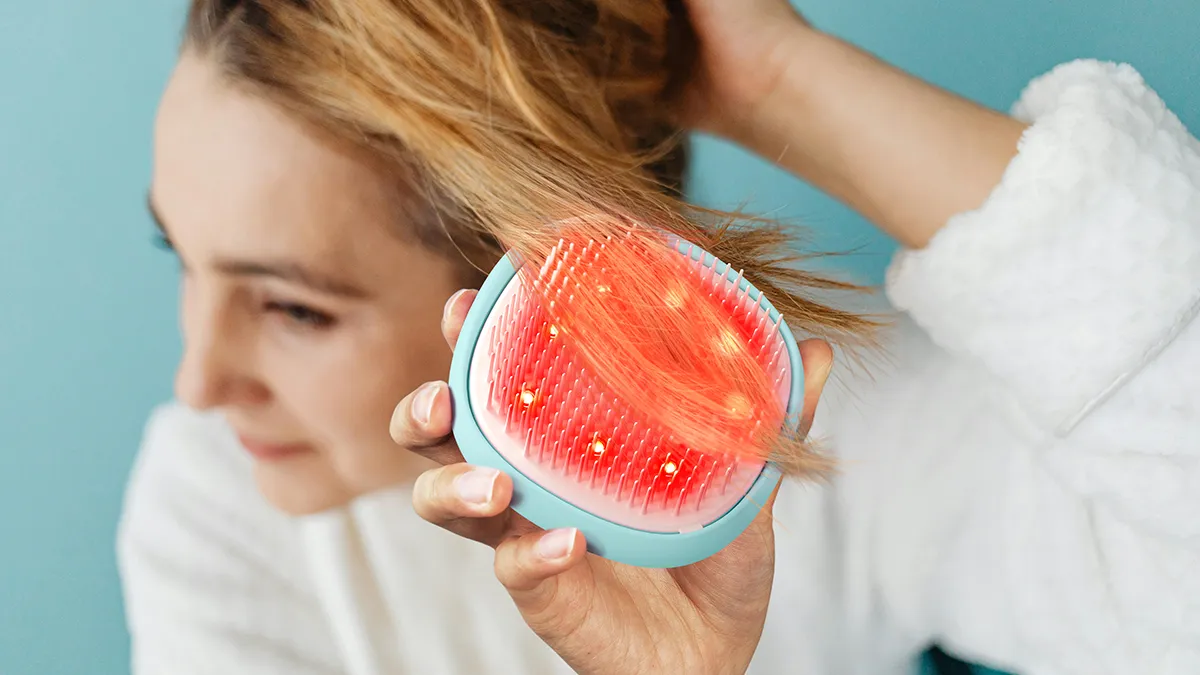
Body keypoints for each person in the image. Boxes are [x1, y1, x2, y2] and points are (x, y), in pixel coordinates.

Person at [117, 3, 1200, 675]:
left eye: (293, 308)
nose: (197, 381)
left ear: (527, 291)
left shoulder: (835, 450)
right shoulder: (214, 502)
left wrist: (784, 86)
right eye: (182, 260)